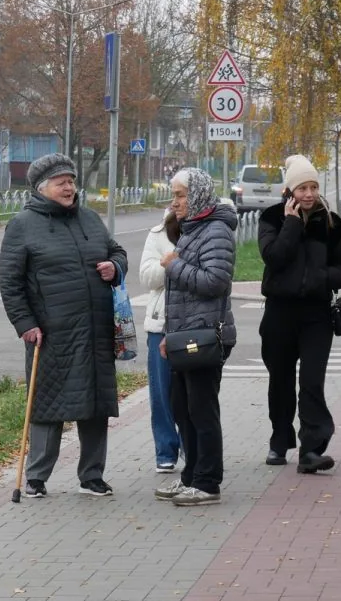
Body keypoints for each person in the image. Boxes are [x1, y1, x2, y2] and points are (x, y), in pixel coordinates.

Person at [0, 153, 128, 498]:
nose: (70, 187)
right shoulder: (23, 224)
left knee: (96, 404)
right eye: (62, 182)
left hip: (95, 329)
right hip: (51, 333)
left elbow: (117, 252)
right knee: (47, 403)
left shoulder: (89, 218)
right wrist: (25, 323)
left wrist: (115, 267)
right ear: (43, 188)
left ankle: (92, 476)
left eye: (71, 181)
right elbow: (10, 282)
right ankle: (37, 476)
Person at [257, 155, 341, 473]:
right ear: (290, 190)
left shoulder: (331, 222)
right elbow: (273, 257)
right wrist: (291, 224)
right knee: (281, 380)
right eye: (303, 187)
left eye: (314, 186)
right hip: (279, 313)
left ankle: (311, 450)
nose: (310, 194)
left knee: (312, 382)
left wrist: (323, 278)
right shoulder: (272, 218)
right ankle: (279, 441)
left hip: (316, 315)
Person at [153, 168, 237, 507]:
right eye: (174, 195)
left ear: (199, 194)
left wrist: (173, 266)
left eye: (181, 195)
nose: (174, 202)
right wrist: (168, 336)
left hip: (205, 337)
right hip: (186, 336)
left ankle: (207, 482)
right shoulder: (194, 228)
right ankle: (190, 476)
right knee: (182, 407)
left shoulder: (215, 230)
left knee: (201, 409)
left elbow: (215, 281)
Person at [139, 208, 182, 474]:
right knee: (161, 391)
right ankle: (166, 451)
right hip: (160, 322)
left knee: (192, 392)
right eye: (177, 196)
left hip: (194, 324)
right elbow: (146, 277)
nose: (180, 202)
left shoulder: (207, 230)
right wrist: (169, 263)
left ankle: (193, 446)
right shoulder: (158, 234)